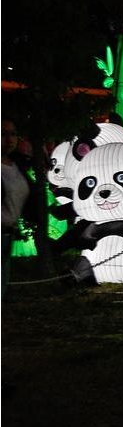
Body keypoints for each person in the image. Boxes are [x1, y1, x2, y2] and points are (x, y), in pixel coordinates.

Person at [2, 118, 32, 296]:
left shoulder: (16, 165)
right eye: (3, 134)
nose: (9, 139)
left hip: (8, 234)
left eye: (13, 134)